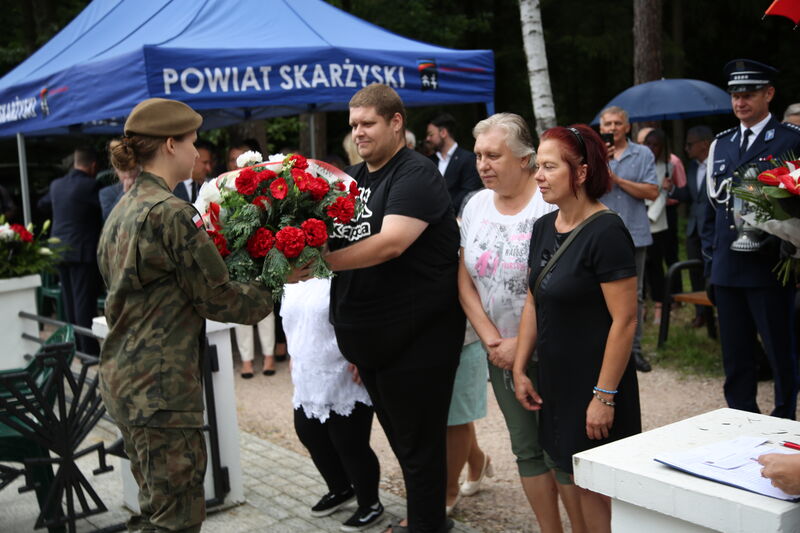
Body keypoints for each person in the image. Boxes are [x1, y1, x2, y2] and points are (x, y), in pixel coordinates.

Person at [97, 97, 274, 532]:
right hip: (162, 391)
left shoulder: (123, 210)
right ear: (171, 144)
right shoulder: (172, 213)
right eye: (193, 142)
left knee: (153, 509)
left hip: (126, 379)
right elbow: (219, 299)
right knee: (175, 519)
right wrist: (275, 282)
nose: (198, 153)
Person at [312, 83, 464, 533]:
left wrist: (320, 263)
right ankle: (427, 520)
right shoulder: (354, 178)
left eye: (367, 123)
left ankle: (426, 526)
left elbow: (392, 243)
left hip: (418, 340)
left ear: (396, 122)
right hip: (376, 342)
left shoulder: (414, 173)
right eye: (353, 124)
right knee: (405, 444)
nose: (357, 132)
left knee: (419, 447)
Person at [459, 114, 586, 533]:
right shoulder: (475, 204)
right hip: (500, 352)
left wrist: (522, 346)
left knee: (562, 450)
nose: (483, 164)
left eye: (493, 155)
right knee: (526, 448)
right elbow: (462, 276)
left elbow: (557, 283)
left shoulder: (548, 202)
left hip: (551, 348)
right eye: (478, 155)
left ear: (526, 159)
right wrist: (493, 340)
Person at [514, 124, 641, 533]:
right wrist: (520, 367)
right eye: (538, 166)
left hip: (595, 384)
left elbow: (625, 320)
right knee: (569, 475)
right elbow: (534, 298)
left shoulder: (607, 232)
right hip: (556, 383)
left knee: (597, 491)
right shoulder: (542, 227)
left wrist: (604, 396)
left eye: (550, 167)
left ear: (581, 173)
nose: (538, 175)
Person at [700, 59, 800, 419]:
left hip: (770, 266)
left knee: (780, 350)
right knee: (736, 355)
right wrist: (711, 262)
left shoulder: (791, 140)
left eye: (748, 94)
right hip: (728, 268)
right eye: (735, 95)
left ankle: (784, 416)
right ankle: (740, 419)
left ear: (769, 94)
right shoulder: (721, 145)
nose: (740, 102)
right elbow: (710, 211)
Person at [282, 278, 384, 531]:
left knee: (349, 443)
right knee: (308, 432)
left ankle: (370, 503)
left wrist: (363, 353)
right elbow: (290, 320)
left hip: (343, 370)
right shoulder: (290, 273)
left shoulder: (345, 271)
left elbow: (367, 313)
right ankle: (340, 488)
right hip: (307, 369)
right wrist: (294, 353)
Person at [598, 106, 659, 372]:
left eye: (617, 123)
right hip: (599, 234)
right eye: (607, 124)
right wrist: (602, 167)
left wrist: (617, 179)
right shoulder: (596, 153)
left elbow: (652, 192)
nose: (612, 128)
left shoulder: (643, 153)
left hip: (634, 233)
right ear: (601, 128)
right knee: (598, 294)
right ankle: (604, 348)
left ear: (627, 127)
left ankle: (634, 351)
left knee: (634, 295)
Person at [37, 146, 103, 355]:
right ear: (93, 166)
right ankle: (89, 352)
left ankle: (74, 346)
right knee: (84, 303)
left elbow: (41, 204)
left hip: (59, 249)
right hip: (82, 251)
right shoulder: (91, 186)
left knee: (69, 302)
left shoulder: (57, 185)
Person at [226, 140, 278, 377]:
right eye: (234, 159)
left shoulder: (264, 184)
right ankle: (246, 359)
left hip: (263, 248)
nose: (239, 165)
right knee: (240, 304)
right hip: (237, 253)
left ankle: (268, 356)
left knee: (265, 303)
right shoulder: (223, 188)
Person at [642, 129, 687, 323]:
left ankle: (663, 304)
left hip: (659, 218)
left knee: (660, 261)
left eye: (655, 145)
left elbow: (674, 193)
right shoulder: (641, 164)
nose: (651, 148)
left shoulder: (670, 165)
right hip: (640, 216)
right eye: (648, 144)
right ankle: (643, 304)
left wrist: (670, 189)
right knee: (643, 265)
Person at [674, 125, 714, 328]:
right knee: (694, 272)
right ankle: (701, 314)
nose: (686, 148)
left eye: (690, 144)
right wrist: (671, 190)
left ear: (704, 144)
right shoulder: (692, 168)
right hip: (693, 229)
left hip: (712, 229)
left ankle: (718, 309)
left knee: (712, 271)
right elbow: (690, 196)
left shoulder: (718, 165)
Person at [426, 113, 483, 214]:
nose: (428, 139)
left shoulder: (468, 159)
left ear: (443, 133)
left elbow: (468, 192)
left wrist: (442, 212)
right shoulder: (428, 161)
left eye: (431, 134)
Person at [100, 140, 141, 221]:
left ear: (138, 167)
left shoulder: (149, 187)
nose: (128, 175)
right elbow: (108, 219)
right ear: (115, 170)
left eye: (132, 169)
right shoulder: (106, 193)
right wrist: (124, 193)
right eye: (123, 171)